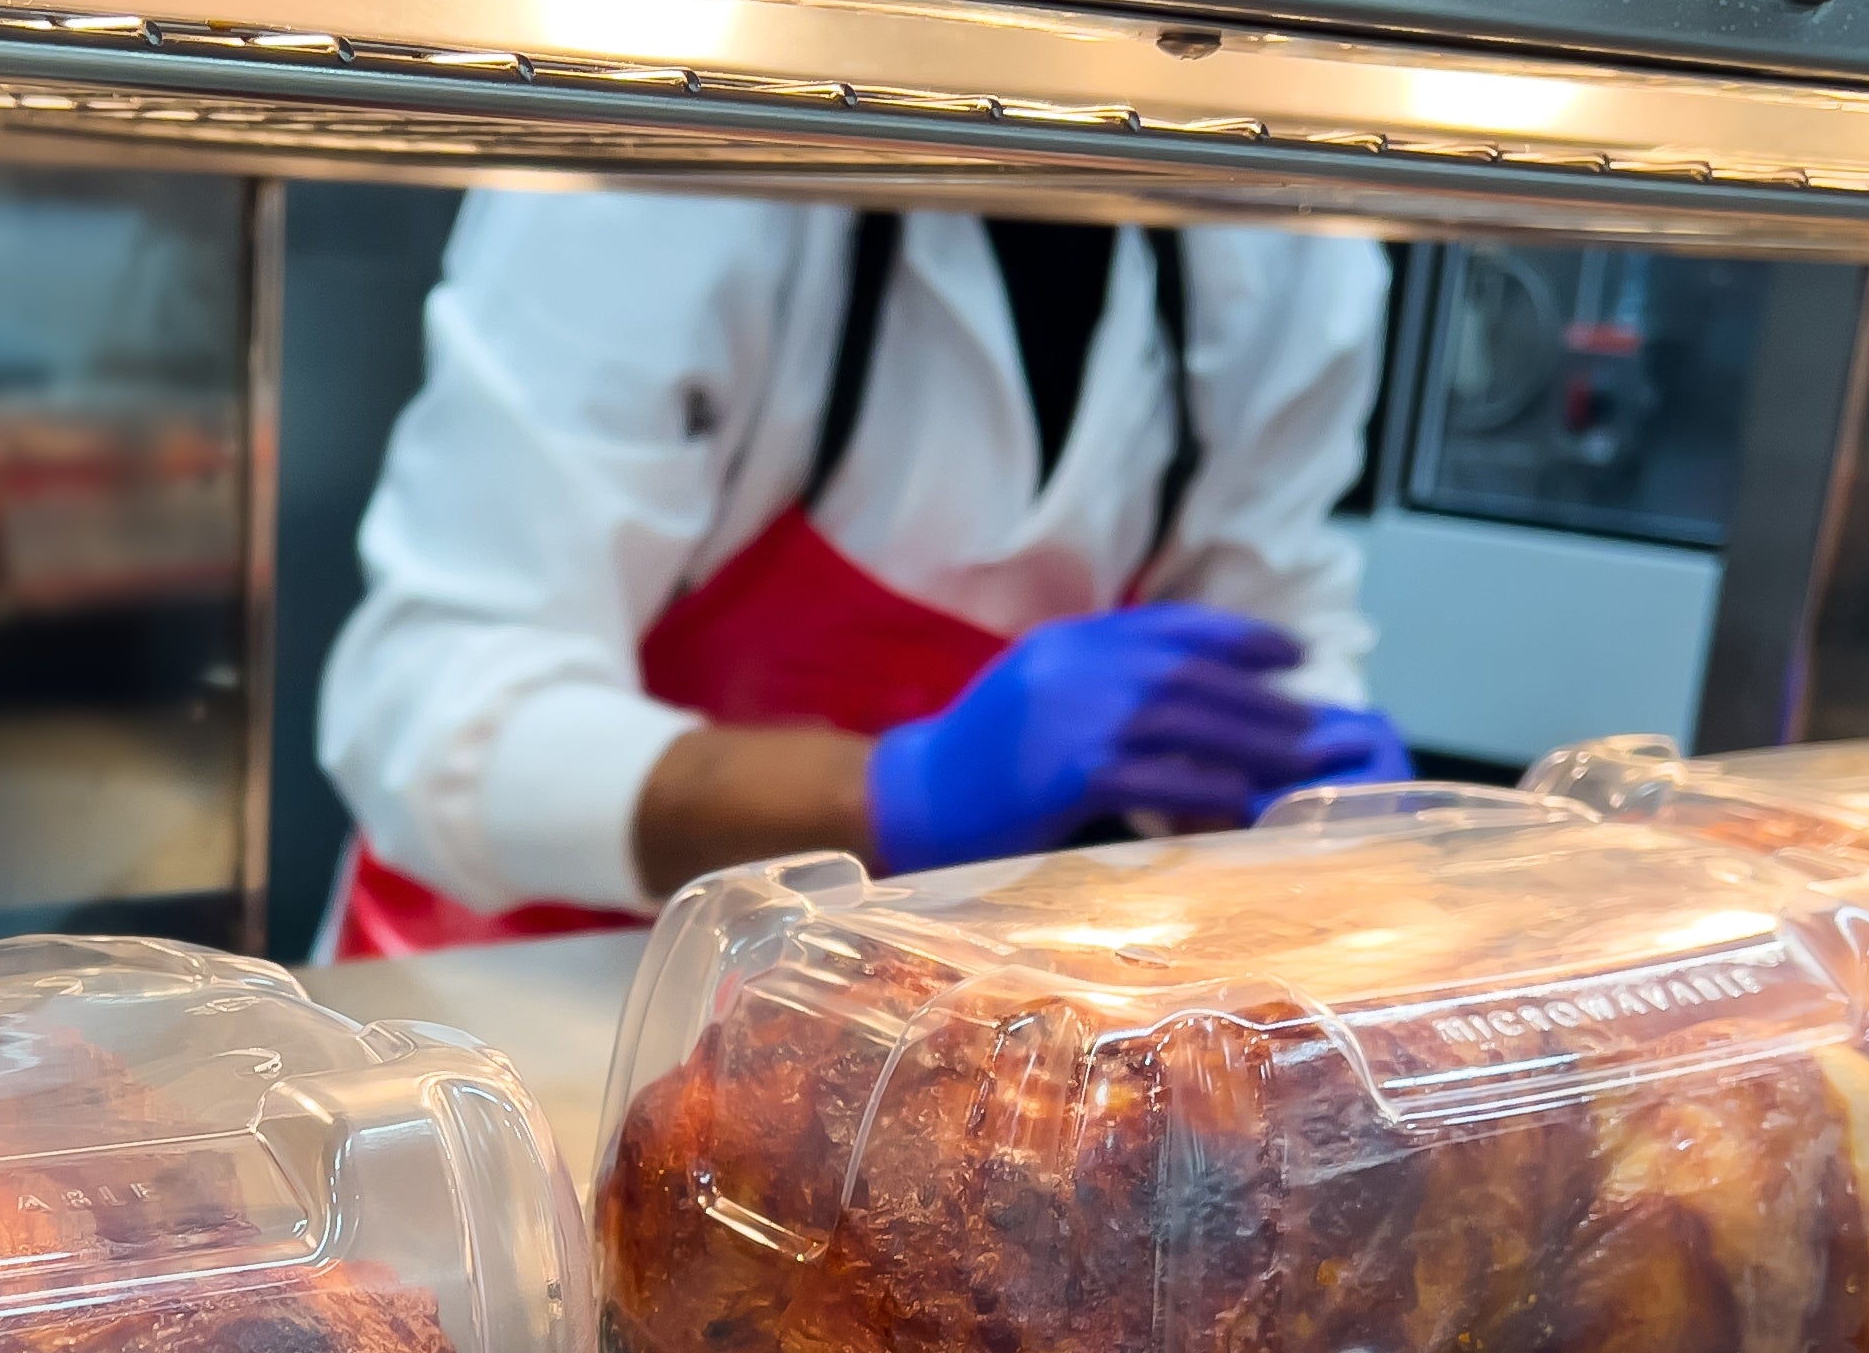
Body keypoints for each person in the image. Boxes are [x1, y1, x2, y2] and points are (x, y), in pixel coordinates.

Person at [318, 193, 1410, 953]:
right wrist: (894, 794)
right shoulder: (678, 162)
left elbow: (1267, 622)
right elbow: (423, 709)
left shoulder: (1281, 228)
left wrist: (1315, 808)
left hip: (918, 1047)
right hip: (527, 1026)